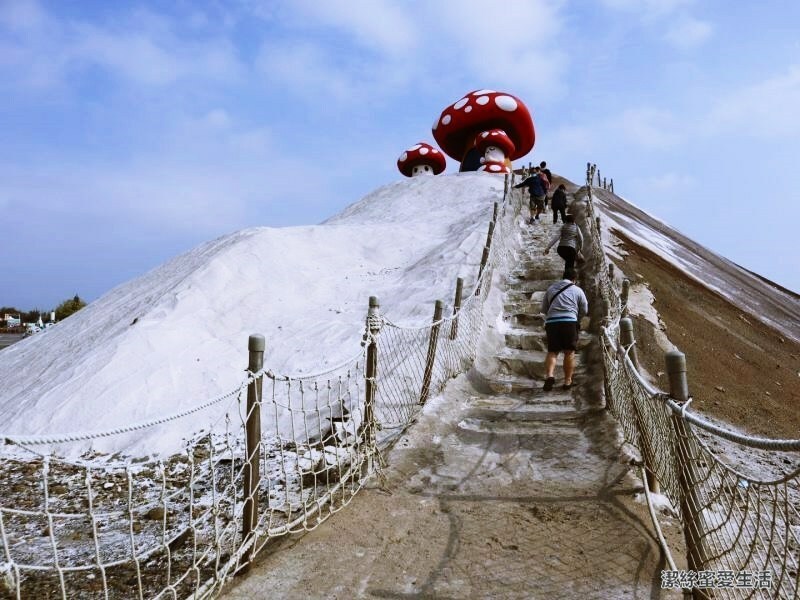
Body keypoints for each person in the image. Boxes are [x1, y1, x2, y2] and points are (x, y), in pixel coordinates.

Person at [541, 267, 588, 391]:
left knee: (552, 352)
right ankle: (567, 381)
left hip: (552, 322)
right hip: (569, 322)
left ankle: (549, 376)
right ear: (574, 279)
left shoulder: (551, 289)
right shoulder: (578, 290)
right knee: (569, 352)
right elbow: (585, 309)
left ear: (563, 277)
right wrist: (577, 318)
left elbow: (544, 309)